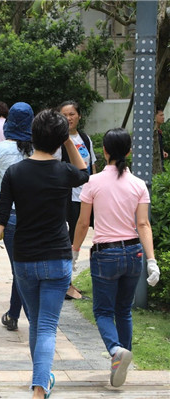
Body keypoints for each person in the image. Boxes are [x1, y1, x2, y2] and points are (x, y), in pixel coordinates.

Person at [0, 109, 89, 399]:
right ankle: (39, 387)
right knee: (47, 326)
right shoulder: (64, 172)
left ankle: (41, 380)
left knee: (37, 323)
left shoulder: (15, 172)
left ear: (31, 136)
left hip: (24, 260)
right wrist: (68, 140)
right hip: (57, 258)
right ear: (60, 140)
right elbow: (85, 172)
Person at [72, 127, 160, 388]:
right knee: (124, 311)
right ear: (130, 151)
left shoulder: (93, 181)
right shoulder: (138, 185)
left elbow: (83, 222)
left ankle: (115, 351)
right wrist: (151, 261)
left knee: (102, 311)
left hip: (105, 254)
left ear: (104, 151)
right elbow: (143, 224)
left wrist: (74, 252)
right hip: (134, 253)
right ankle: (122, 360)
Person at [0, 102, 33, 332]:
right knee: (26, 269)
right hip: (38, 217)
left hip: (10, 216)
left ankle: (33, 320)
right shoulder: (40, 149)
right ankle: (13, 314)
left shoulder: (0, 150)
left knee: (19, 270)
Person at [57, 100, 97, 300]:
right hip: (69, 197)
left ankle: (93, 278)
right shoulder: (58, 142)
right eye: (64, 115)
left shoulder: (85, 138)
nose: (69, 118)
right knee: (70, 239)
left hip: (87, 196)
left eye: (72, 114)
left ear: (79, 116)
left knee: (90, 237)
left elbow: (92, 167)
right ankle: (67, 284)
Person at [154, 107, 168, 171]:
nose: (163, 117)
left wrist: (162, 151)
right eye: (161, 115)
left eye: (163, 115)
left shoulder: (158, 130)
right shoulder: (153, 132)